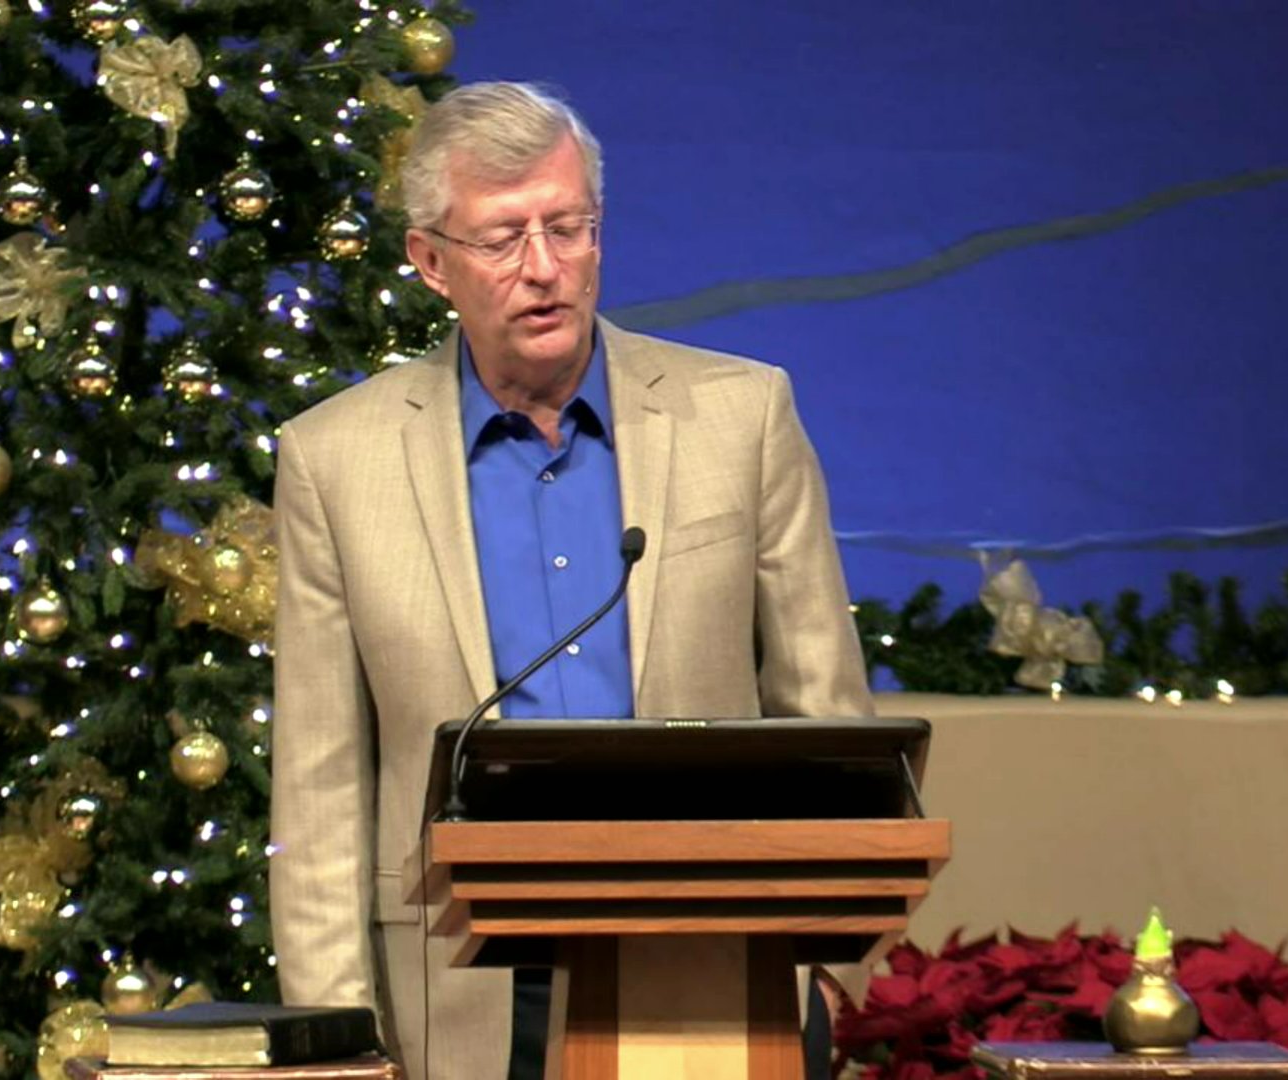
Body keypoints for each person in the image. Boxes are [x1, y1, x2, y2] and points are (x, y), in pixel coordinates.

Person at [270, 81, 872, 1079]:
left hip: (712, 962)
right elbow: (320, 782)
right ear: (431, 261)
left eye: (568, 228)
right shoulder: (336, 460)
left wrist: (813, 973)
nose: (545, 269)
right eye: (503, 240)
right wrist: (336, 1043)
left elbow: (829, 725)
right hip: (458, 986)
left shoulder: (743, 417)